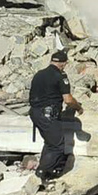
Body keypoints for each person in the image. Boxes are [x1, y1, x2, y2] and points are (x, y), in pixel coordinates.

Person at [29, 49, 83, 182]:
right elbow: (68, 100)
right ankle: (41, 173)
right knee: (57, 145)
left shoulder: (39, 74)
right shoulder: (60, 76)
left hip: (35, 113)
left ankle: (47, 171)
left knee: (50, 142)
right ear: (64, 63)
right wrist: (78, 108)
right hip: (48, 115)